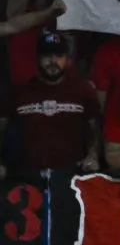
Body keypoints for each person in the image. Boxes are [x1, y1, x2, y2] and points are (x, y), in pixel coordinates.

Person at [0, 29, 99, 178]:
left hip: (71, 176)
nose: (53, 61)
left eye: (59, 56)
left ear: (67, 59)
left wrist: (93, 156)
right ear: (38, 58)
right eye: (47, 55)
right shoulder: (18, 91)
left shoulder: (84, 90)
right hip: (26, 176)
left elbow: (95, 129)